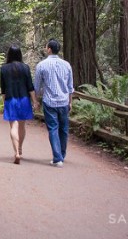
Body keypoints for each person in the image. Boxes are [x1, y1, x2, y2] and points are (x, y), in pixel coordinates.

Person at [34, 39, 74, 167]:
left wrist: (36, 100)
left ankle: (58, 158)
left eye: (46, 47)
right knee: (64, 129)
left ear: (49, 49)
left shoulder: (41, 65)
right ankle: (61, 155)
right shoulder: (67, 65)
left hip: (49, 102)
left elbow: (37, 86)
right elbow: (70, 86)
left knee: (53, 129)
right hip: (63, 101)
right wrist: (70, 102)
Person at [0, 45, 38, 164]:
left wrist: (4, 102)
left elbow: (3, 89)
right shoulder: (25, 68)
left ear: (9, 55)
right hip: (24, 99)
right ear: (20, 54)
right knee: (22, 126)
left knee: (13, 127)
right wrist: (35, 101)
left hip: (11, 99)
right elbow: (30, 86)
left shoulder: (4, 69)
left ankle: (16, 152)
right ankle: (20, 150)